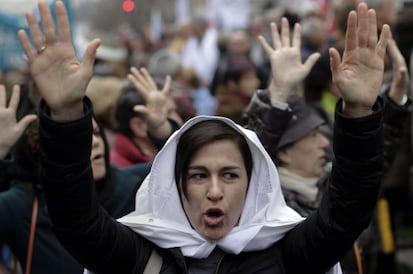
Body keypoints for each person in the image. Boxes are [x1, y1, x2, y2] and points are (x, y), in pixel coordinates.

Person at [19, 1, 388, 273]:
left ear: (252, 182)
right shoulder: (140, 255)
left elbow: (346, 213)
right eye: (198, 175)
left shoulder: (288, 252)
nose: (215, 191)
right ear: (176, 185)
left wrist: (358, 111)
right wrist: (66, 113)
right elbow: (75, 220)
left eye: (230, 175)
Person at [243, 14, 412, 274]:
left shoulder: (324, 182)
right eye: (312, 136)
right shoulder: (273, 211)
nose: (324, 142)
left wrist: (372, 107)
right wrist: (278, 91)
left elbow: (367, 168)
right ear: (284, 151)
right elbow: (247, 163)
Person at [0, 67, 175, 273]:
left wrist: (162, 130)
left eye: (97, 133)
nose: (94, 143)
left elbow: (182, 166)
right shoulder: (24, 204)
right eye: (81, 139)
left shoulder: (134, 185)